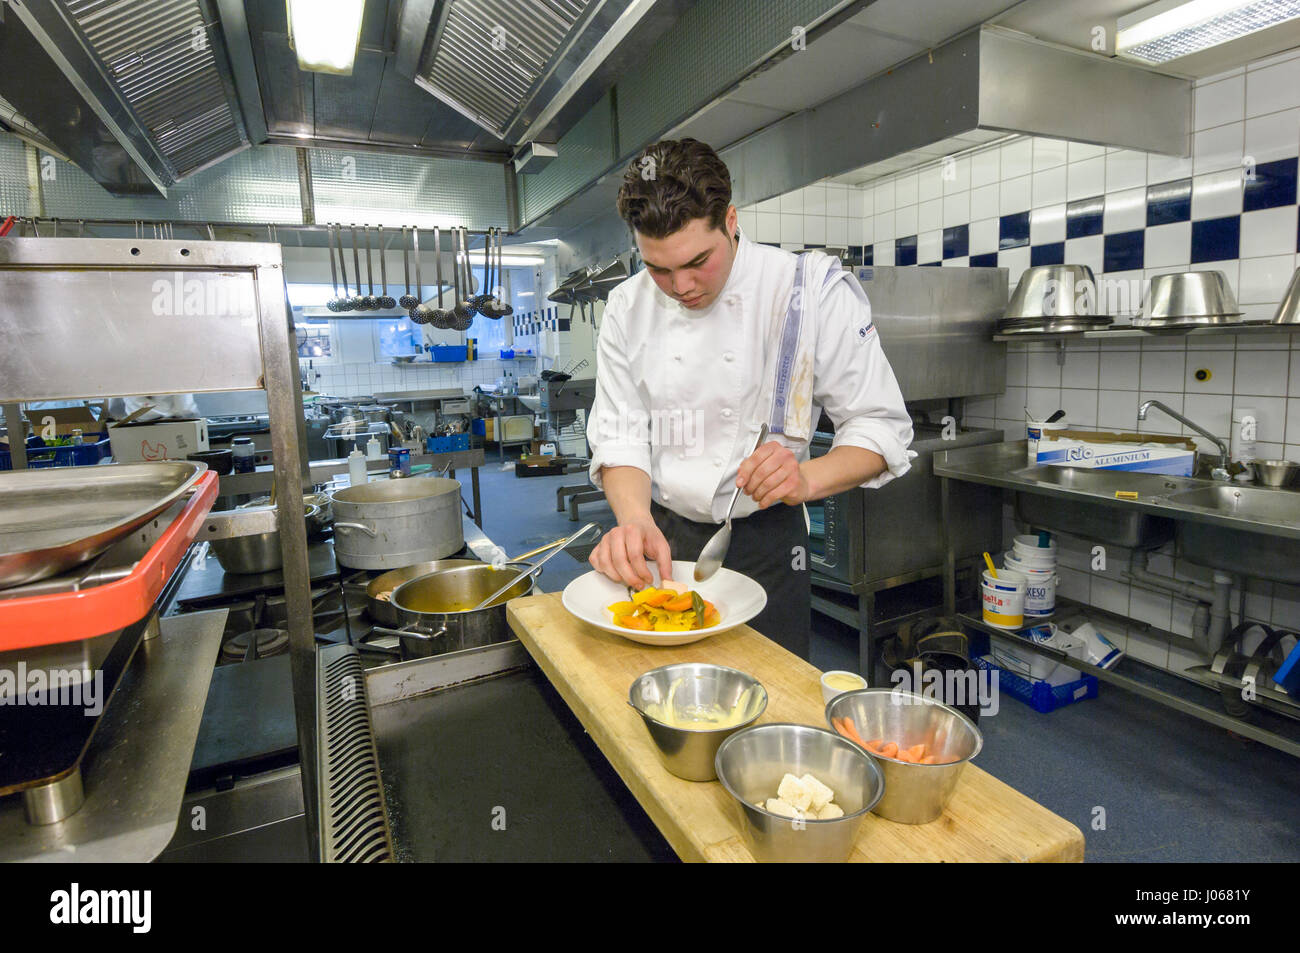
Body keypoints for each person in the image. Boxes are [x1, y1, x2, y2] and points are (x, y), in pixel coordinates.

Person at [585, 139, 914, 659]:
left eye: (697, 261)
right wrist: (633, 521)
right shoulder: (627, 307)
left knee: (768, 702)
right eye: (658, 269)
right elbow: (620, 436)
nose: (681, 286)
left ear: (731, 220)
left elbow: (880, 428)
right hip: (659, 535)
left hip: (766, 539)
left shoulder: (806, 291)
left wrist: (805, 478)